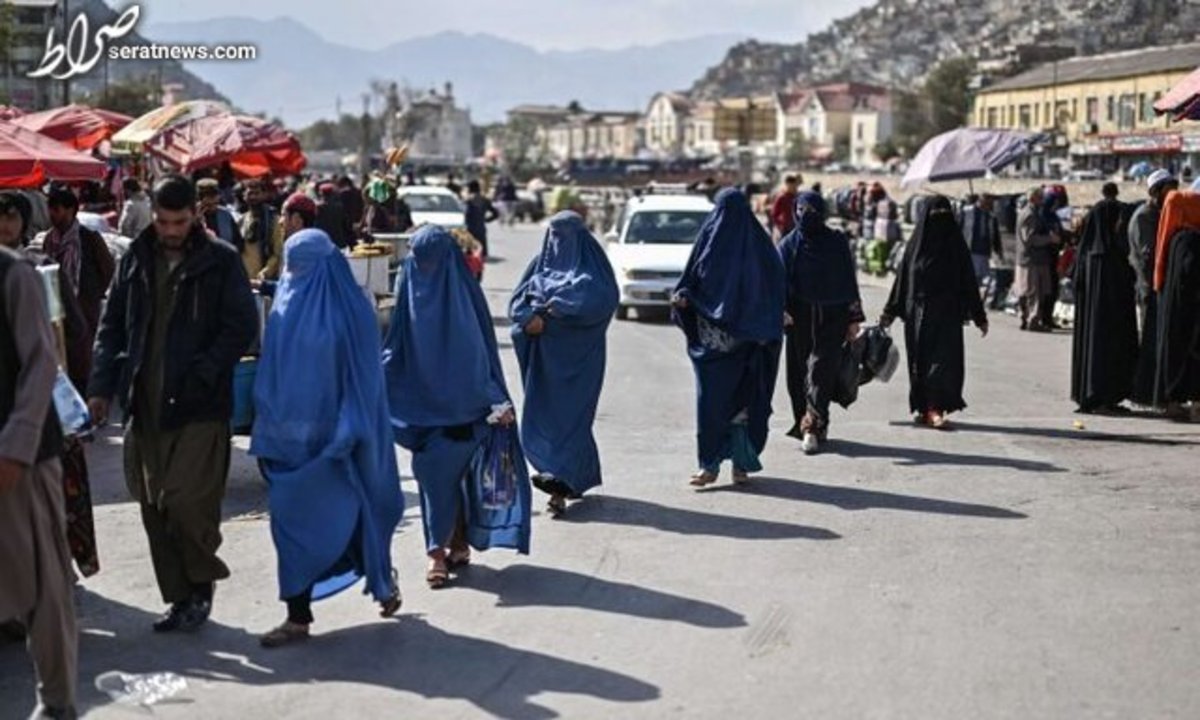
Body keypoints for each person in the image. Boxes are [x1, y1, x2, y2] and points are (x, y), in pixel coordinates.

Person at [88, 175, 258, 633]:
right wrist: (100, 390)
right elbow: (111, 327)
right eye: (162, 221)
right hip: (144, 402)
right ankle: (180, 598)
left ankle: (200, 586)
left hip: (199, 405)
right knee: (152, 505)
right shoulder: (137, 258)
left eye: (178, 222)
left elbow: (241, 325)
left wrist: (206, 371)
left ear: (194, 217)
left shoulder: (219, 261)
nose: (168, 230)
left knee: (186, 501)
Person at [251, 229, 402, 648]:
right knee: (289, 525)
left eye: (302, 266)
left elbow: (365, 376)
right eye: (290, 264)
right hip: (284, 442)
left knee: (349, 515)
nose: (294, 273)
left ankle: (380, 574)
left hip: (336, 440)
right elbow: (273, 368)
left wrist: (351, 426)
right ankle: (297, 616)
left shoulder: (352, 311)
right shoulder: (286, 299)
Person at [383, 226, 529, 589]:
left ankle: (441, 551)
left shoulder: (446, 290)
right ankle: (449, 546)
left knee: (444, 478)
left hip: (466, 410)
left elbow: (477, 351)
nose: (423, 267)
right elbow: (397, 343)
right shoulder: (419, 284)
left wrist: (495, 399)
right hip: (427, 409)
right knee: (438, 476)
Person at [0, 209, 77, 719]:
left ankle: (57, 702)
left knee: (43, 585)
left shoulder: (15, 275)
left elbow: (42, 360)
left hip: (20, 460)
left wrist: (15, 447)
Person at [672, 188, 785, 485]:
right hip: (713, 347)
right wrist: (684, 297)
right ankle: (709, 465)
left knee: (746, 406)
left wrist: (774, 317)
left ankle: (741, 464)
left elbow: (774, 291)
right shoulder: (709, 243)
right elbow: (689, 282)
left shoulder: (761, 251)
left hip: (750, 344)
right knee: (711, 406)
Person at [509, 211, 619, 515]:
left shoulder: (594, 268)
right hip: (543, 364)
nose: (558, 242)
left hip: (580, 362)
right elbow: (517, 302)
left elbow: (604, 300)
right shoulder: (539, 264)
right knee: (543, 417)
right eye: (554, 235)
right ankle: (561, 479)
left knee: (573, 421)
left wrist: (562, 307)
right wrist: (528, 318)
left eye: (565, 235)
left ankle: (560, 485)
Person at [882, 196, 988, 429]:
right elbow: (902, 280)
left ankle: (934, 407)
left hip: (947, 315)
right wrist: (889, 312)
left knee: (942, 363)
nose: (940, 220)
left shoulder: (956, 247)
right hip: (917, 316)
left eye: (944, 215)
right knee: (920, 364)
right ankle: (924, 407)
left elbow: (969, 281)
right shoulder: (915, 247)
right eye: (935, 215)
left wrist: (979, 316)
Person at [778, 191, 865, 453]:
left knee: (820, 370)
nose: (806, 217)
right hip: (798, 318)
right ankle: (812, 420)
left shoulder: (836, 243)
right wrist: (780, 310)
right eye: (802, 211)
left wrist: (853, 318)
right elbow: (778, 283)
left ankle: (811, 428)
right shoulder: (789, 245)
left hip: (832, 317)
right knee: (799, 375)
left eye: (812, 212)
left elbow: (848, 280)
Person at [1070, 195, 1139, 415]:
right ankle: (1099, 397)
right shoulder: (1101, 258)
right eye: (1117, 219)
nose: (1120, 223)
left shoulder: (1098, 253)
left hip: (1106, 323)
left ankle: (1108, 397)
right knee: (1101, 354)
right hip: (1103, 325)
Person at [1128, 171, 1178, 408]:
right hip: (1150, 289)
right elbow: (1149, 255)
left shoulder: (1160, 214)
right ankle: (1147, 395)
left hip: (1160, 288)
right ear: (1155, 191)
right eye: (1168, 189)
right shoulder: (1144, 217)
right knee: (1151, 343)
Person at [1015, 187, 1058, 331]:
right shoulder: (1030, 215)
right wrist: (1050, 239)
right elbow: (1030, 239)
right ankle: (1032, 321)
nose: (1043, 200)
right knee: (1034, 292)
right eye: (1040, 197)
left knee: (1027, 291)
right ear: (1033, 198)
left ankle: (1026, 318)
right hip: (1033, 259)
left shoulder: (1028, 212)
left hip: (1030, 259)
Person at [959, 193, 1004, 297]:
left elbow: (995, 235)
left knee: (982, 281)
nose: (990, 204)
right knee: (971, 278)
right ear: (981, 199)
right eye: (988, 200)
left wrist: (998, 251)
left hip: (984, 253)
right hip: (970, 250)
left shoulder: (991, 217)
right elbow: (958, 229)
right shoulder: (967, 212)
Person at [238, 178, 282, 281]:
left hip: (264, 280)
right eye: (250, 193)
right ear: (244, 196)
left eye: (257, 193)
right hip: (243, 279)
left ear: (264, 195)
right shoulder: (241, 220)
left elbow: (278, 253)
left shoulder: (273, 220)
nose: (253, 197)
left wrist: (265, 272)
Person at [197, 178, 243, 247]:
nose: (211, 200)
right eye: (207, 196)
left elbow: (237, 241)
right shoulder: (192, 216)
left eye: (214, 195)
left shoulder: (226, 214)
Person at [464, 180, 500, 259]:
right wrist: (486, 220)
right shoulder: (485, 200)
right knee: (480, 256)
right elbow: (496, 213)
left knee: (469, 257)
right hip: (481, 230)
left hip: (470, 230)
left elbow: (465, 215)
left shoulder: (468, 201)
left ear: (470, 189)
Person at [315, 182, 353, 249]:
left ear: (321, 194)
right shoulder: (339, 208)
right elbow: (346, 226)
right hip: (338, 243)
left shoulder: (317, 208)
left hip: (322, 243)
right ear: (333, 194)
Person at [769, 175, 801, 240]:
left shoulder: (798, 197)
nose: (794, 188)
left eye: (795, 185)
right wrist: (780, 225)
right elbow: (774, 214)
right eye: (792, 185)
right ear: (787, 185)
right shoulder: (782, 197)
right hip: (785, 229)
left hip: (796, 227)